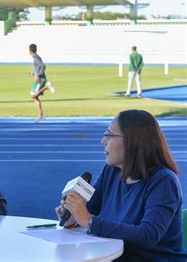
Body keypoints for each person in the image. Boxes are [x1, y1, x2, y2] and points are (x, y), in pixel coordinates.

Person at [56, 109, 186, 261]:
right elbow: (89, 210)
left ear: (133, 141)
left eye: (109, 135)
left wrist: (88, 221)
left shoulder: (163, 182)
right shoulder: (111, 171)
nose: (103, 141)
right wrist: (73, 218)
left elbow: (148, 235)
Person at [28, 44, 54, 123]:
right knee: (34, 97)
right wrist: (33, 74)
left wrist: (38, 75)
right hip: (39, 79)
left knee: (33, 96)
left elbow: (43, 66)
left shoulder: (36, 58)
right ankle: (41, 115)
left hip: (40, 80)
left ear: (30, 50)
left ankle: (47, 86)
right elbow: (39, 68)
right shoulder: (36, 57)